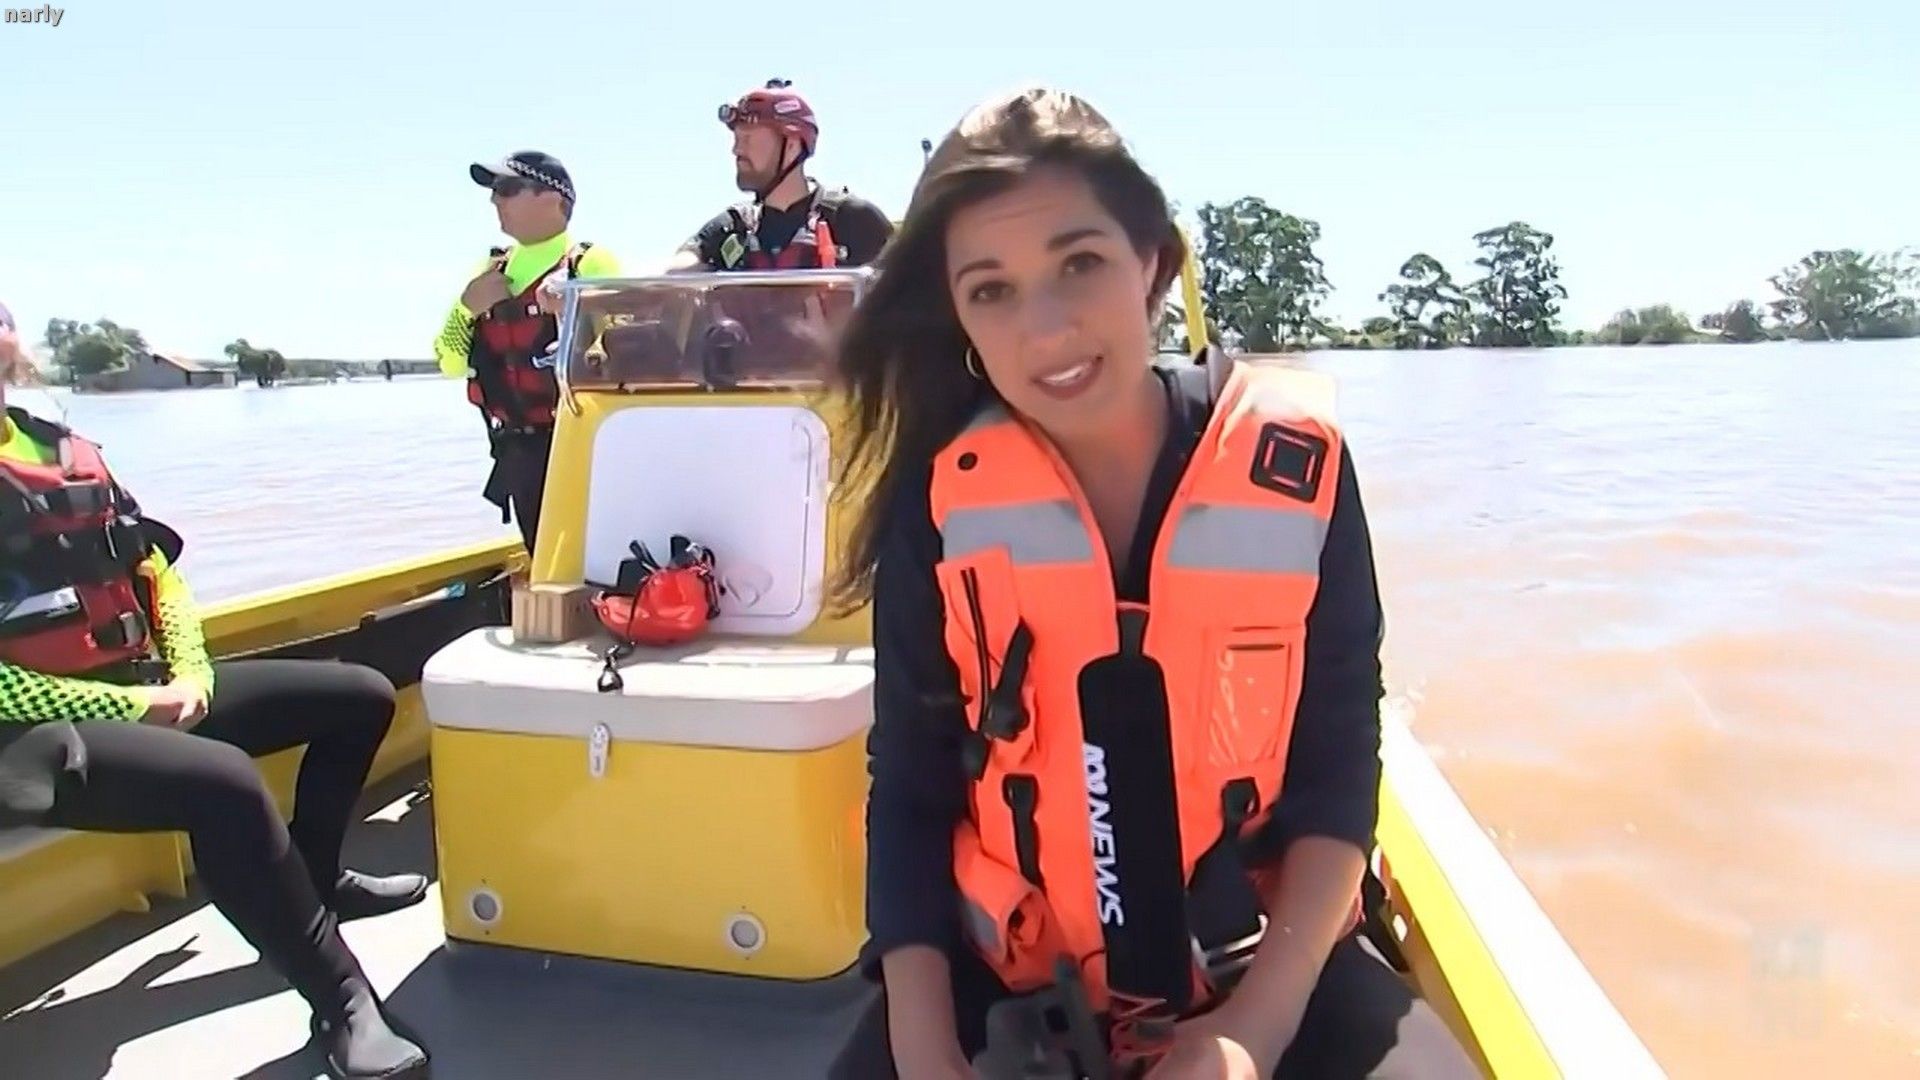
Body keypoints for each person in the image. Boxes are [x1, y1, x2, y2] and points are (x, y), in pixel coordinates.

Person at [821, 89, 1484, 1079]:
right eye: (992, 290)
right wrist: (925, 1049)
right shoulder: (940, 498)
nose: (1045, 328)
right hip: (1010, 975)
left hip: (1260, 963)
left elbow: (1342, 763)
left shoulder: (1299, 469)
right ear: (957, 314)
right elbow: (911, 783)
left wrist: (1250, 1032)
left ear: (1154, 267)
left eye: (1079, 264)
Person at [0, 303, 431, 1079]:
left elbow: (156, 574)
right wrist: (135, 708)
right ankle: (343, 1001)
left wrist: (190, 674)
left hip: (139, 688)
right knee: (225, 783)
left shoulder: (56, 449)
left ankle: (313, 886)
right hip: (29, 737)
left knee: (361, 696)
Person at [432, 150, 620, 554]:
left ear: (553, 199)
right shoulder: (489, 271)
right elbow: (449, 362)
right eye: (494, 190)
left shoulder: (589, 263)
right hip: (519, 453)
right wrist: (467, 308)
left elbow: (625, 351)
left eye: (507, 188)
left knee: (590, 557)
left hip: (582, 446)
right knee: (543, 556)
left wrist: (575, 309)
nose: (494, 199)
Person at [667, 80, 895, 274]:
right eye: (736, 139)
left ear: (792, 145)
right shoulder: (735, 226)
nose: (736, 150)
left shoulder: (852, 218)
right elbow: (680, 267)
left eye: (748, 139)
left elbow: (906, 287)